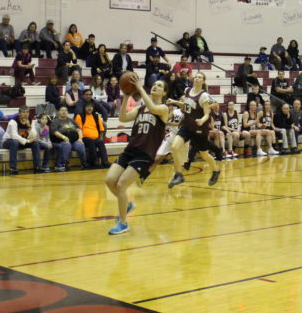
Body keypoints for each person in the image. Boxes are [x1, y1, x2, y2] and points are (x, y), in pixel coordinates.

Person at [104, 78, 171, 235]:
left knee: (121, 185)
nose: (155, 86)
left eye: (159, 85)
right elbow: (123, 118)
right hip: (131, 149)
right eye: (154, 84)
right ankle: (126, 205)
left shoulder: (163, 109)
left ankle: (123, 223)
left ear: (165, 92)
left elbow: (153, 107)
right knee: (109, 180)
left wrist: (140, 89)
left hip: (145, 153)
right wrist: (126, 96)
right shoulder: (141, 109)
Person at [167, 72, 223, 187]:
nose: (197, 78)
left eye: (200, 77)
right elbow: (186, 106)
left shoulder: (204, 96)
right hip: (187, 126)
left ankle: (215, 171)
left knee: (204, 154)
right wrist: (174, 102)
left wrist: (202, 120)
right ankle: (178, 175)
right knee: (174, 147)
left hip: (199, 129)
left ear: (203, 81)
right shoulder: (187, 90)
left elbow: (207, 114)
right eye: (196, 77)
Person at [1, 106, 44, 175]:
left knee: (35, 143)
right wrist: (27, 141)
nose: (26, 114)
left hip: (22, 141)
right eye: (23, 112)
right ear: (19, 113)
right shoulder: (13, 121)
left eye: (27, 112)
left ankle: (37, 166)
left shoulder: (30, 121)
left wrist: (29, 127)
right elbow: (14, 136)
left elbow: (33, 136)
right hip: (8, 141)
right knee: (15, 142)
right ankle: (13, 167)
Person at [50, 106, 87, 171]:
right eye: (62, 110)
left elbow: (79, 130)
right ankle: (61, 164)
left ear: (67, 112)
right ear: (58, 112)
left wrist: (80, 138)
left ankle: (84, 162)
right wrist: (63, 137)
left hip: (73, 140)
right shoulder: (55, 121)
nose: (64, 112)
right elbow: (54, 132)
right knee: (67, 145)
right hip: (61, 140)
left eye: (65, 110)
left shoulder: (71, 120)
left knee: (80, 145)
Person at [76, 102, 109, 168]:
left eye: (91, 107)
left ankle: (105, 162)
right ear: (84, 108)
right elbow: (78, 130)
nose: (89, 108)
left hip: (95, 138)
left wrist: (101, 138)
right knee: (91, 141)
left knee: (100, 142)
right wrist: (80, 138)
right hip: (84, 138)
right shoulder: (79, 116)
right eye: (88, 107)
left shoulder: (96, 116)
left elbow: (101, 130)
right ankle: (95, 161)